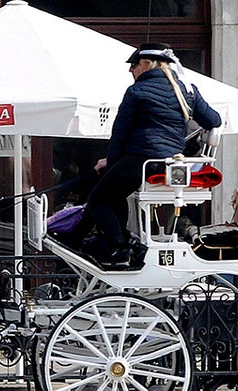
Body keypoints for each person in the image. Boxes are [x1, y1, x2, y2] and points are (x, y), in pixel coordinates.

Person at [84, 42, 221, 266]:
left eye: (134, 64)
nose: (131, 70)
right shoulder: (187, 90)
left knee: (97, 200)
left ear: (148, 64)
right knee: (114, 194)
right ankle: (122, 243)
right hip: (169, 163)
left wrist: (111, 163)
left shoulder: (137, 91)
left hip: (140, 159)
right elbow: (214, 121)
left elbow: (120, 133)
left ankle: (118, 247)